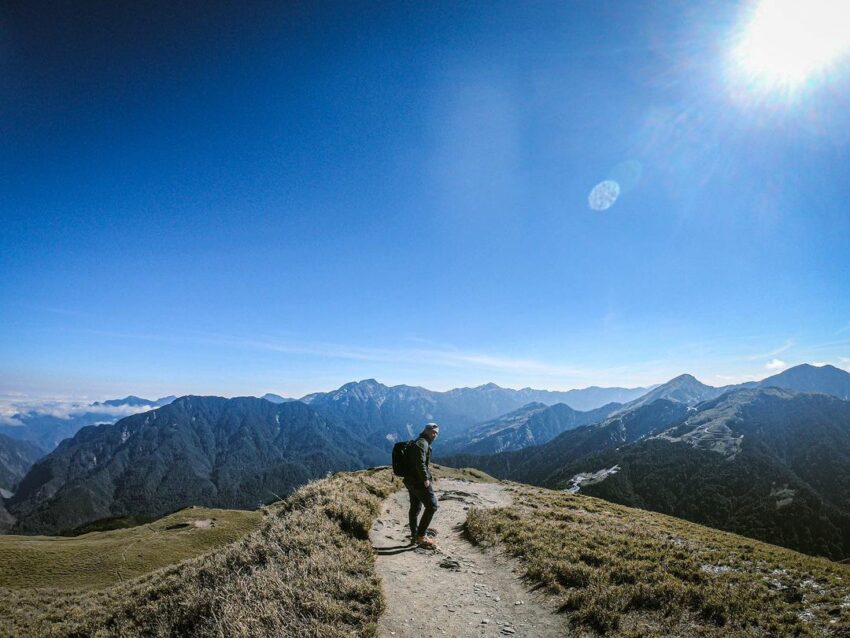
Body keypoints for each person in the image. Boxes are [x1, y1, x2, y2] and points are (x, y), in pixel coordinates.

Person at [404, 422, 440, 547]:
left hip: (410, 480)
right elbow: (420, 463)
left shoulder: (420, 441)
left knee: (415, 508)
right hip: (418, 481)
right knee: (432, 506)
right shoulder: (422, 443)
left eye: (436, 433)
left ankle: (415, 534)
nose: (435, 435)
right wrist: (425, 479)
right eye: (433, 431)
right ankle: (421, 536)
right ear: (426, 430)